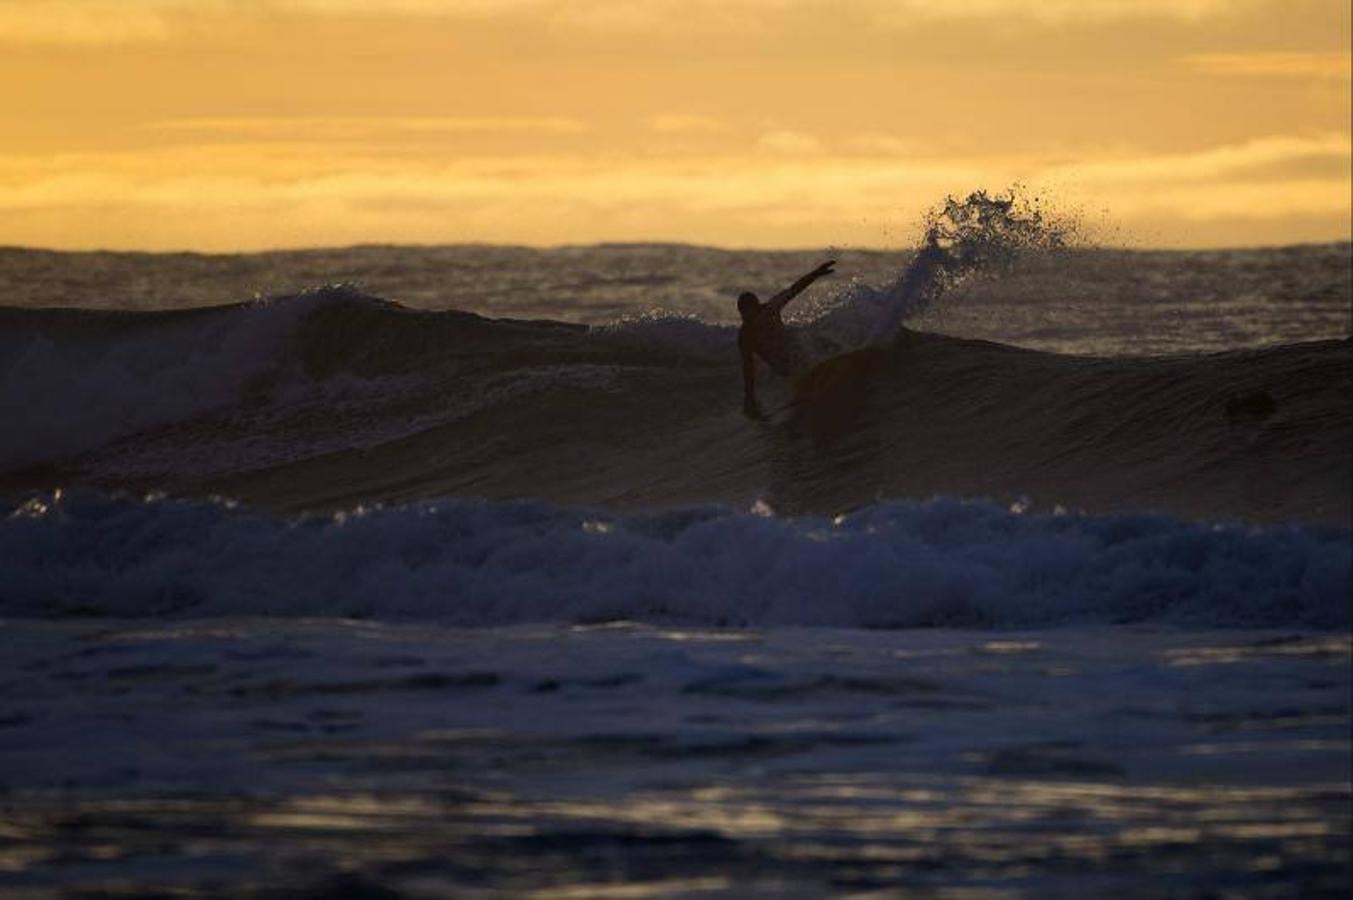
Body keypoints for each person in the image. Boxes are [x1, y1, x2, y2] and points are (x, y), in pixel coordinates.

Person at [737, 259, 836, 416]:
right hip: (785, 367)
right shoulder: (745, 336)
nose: (746, 319)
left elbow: (794, 290)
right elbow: (748, 368)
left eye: (749, 313)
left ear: (756, 307)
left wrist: (816, 273)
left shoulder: (770, 308)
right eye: (743, 314)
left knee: (816, 340)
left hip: (794, 348)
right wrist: (749, 397)